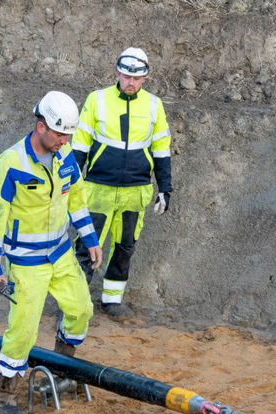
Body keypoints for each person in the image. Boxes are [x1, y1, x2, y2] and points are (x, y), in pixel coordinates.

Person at [0, 91, 103, 414]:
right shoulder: (11, 163)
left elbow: (75, 199)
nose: (65, 141)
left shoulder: (64, 158)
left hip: (61, 255)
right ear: (41, 127)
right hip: (25, 263)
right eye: (60, 134)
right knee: (23, 328)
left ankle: (62, 367)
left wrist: (89, 238)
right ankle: (5, 394)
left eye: (68, 135)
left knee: (81, 309)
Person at [71, 47, 172, 320]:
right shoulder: (97, 100)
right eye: (127, 76)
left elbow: (162, 149)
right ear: (117, 73)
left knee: (125, 247)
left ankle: (111, 301)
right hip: (97, 189)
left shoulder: (154, 106)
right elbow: (79, 144)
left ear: (145, 78)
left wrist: (165, 187)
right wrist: (69, 183)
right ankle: (75, 305)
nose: (131, 82)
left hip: (135, 191)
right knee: (85, 246)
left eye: (137, 78)